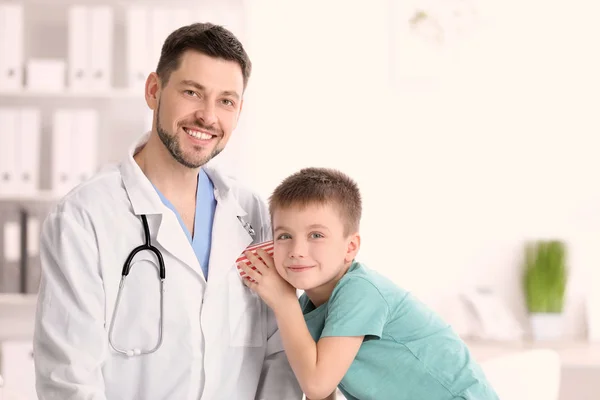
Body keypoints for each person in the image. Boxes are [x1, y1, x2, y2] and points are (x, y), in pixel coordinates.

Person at [33, 23, 302, 400]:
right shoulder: (85, 217)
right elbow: (68, 380)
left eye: (226, 101)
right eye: (193, 92)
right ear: (154, 91)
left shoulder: (253, 213)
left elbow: (280, 352)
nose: (208, 117)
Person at [238, 167, 500, 400]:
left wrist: (284, 301)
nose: (297, 250)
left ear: (350, 247)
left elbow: (316, 384)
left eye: (316, 235)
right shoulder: (308, 305)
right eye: (284, 236)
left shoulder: (359, 291)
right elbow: (321, 391)